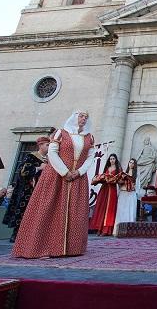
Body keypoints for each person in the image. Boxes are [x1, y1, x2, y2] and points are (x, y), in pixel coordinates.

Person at [12, 110, 95, 258]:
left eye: (86, 117)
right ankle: (41, 247)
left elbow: (90, 157)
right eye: (81, 116)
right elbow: (52, 152)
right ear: (75, 117)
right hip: (57, 176)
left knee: (75, 212)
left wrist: (79, 172)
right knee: (50, 208)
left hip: (78, 178)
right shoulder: (61, 133)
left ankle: (72, 248)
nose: (84, 119)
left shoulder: (89, 137)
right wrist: (64, 171)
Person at [3, 136, 50, 242]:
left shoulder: (49, 160)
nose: (49, 147)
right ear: (40, 145)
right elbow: (23, 172)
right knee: (23, 211)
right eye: (47, 145)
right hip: (27, 190)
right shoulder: (31, 157)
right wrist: (38, 168)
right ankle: (16, 234)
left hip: (41, 190)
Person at [89, 154, 121, 236]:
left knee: (109, 209)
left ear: (116, 160)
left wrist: (113, 179)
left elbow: (120, 180)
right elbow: (102, 177)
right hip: (104, 189)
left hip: (112, 190)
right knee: (102, 208)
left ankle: (106, 230)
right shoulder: (107, 168)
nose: (112, 160)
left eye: (113, 159)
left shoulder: (118, 169)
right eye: (110, 159)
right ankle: (99, 229)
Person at [113, 158, 137, 236]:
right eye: (130, 162)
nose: (131, 164)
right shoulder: (123, 173)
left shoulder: (136, 174)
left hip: (131, 194)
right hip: (123, 193)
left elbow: (138, 186)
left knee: (130, 211)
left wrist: (133, 186)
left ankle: (129, 231)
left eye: (133, 163)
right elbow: (119, 184)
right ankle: (117, 230)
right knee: (121, 212)